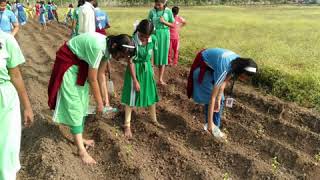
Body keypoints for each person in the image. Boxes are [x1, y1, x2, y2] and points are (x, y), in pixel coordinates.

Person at [48, 32, 135, 164]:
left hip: (80, 65)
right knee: (75, 105)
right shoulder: (98, 48)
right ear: (115, 46)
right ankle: (81, 151)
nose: (120, 58)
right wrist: (100, 104)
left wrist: (106, 101)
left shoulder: (108, 48)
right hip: (69, 65)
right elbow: (93, 79)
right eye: (121, 55)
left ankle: (80, 138)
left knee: (83, 103)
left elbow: (101, 75)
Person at [187, 48, 258, 138]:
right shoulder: (225, 67)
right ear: (242, 71)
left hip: (214, 66)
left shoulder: (238, 64)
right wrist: (210, 124)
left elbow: (224, 83)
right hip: (203, 65)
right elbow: (212, 97)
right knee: (211, 97)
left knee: (220, 101)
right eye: (245, 77)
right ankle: (210, 127)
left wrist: (219, 98)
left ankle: (215, 128)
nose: (245, 79)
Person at [121, 19, 164, 138]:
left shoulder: (153, 39)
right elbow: (130, 62)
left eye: (147, 37)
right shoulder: (132, 42)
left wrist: (152, 70)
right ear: (138, 32)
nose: (144, 39)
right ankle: (127, 125)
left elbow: (151, 56)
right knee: (131, 97)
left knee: (151, 95)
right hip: (134, 70)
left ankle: (154, 120)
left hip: (147, 70)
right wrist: (135, 81)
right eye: (142, 36)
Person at [0, 30, 34, 180]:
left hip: (4, 99)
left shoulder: (6, 40)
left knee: (6, 148)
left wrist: (27, 106)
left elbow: (15, 75)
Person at [148, 0, 174, 85]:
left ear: (164, 4)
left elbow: (173, 25)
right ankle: (151, 78)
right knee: (152, 55)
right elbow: (148, 23)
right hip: (154, 34)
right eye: (156, 4)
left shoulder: (168, 11)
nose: (157, 6)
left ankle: (160, 79)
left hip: (164, 35)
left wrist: (164, 22)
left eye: (159, 4)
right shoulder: (152, 11)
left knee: (163, 56)